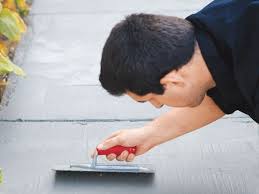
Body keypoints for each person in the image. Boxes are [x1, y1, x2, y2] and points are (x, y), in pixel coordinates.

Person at [93, 0, 259, 162]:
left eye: (151, 98)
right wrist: (149, 134)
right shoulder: (216, 26)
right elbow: (225, 92)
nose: (157, 105)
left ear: (173, 81)